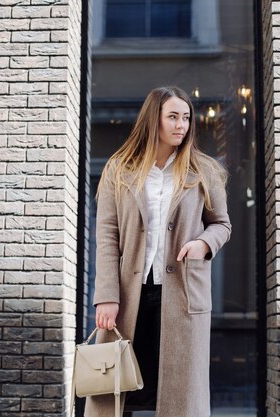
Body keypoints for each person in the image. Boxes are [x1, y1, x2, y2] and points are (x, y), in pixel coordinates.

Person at [84, 86, 232, 417]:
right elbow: (107, 236)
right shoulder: (119, 169)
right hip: (128, 295)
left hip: (182, 295)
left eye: (186, 117)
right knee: (117, 391)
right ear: (155, 120)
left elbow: (222, 225)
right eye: (173, 117)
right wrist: (106, 294)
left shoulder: (204, 170)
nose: (181, 125)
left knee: (177, 395)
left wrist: (203, 243)